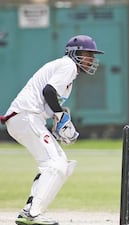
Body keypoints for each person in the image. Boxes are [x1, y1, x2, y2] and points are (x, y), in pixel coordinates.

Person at [0, 35, 104, 225]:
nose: (91, 59)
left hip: (28, 118)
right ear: (74, 53)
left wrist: (60, 122)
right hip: (26, 116)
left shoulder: (67, 73)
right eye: (87, 54)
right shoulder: (68, 66)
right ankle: (32, 214)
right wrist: (61, 115)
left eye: (92, 55)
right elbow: (48, 91)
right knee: (54, 164)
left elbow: (49, 101)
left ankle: (30, 209)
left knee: (62, 164)